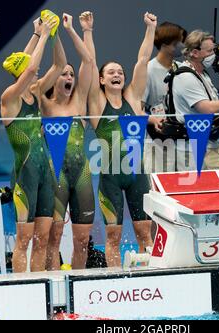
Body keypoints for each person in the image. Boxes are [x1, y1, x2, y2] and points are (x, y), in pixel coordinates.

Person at [87, 12, 158, 267]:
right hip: (110, 179)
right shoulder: (97, 103)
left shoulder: (133, 99)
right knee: (113, 236)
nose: (117, 74)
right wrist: (88, 31)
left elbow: (142, 59)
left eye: (120, 71)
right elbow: (90, 61)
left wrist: (151, 28)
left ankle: (149, 276)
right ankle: (114, 278)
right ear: (102, 79)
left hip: (137, 175)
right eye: (111, 72)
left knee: (145, 233)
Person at [0, 15, 65, 272]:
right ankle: (21, 290)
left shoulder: (35, 92)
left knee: (42, 239)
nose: (36, 69)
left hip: (45, 174)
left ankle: (41, 290)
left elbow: (59, 65)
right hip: (24, 175)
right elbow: (27, 68)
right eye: (30, 67)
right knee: (24, 240)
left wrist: (46, 35)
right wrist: (44, 33)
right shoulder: (10, 98)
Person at [42, 12, 94, 270]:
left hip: (81, 174)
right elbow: (49, 66)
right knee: (54, 236)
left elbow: (88, 60)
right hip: (55, 175)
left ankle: (79, 285)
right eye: (64, 74)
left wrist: (78, 30)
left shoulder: (79, 101)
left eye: (71, 74)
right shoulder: (46, 106)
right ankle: (53, 288)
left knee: (82, 239)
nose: (69, 78)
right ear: (54, 80)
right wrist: (51, 35)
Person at [172, 30, 219, 176]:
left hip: (210, 143)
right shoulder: (185, 77)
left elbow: (215, 105)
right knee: (195, 194)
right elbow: (206, 108)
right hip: (192, 149)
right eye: (209, 51)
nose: (213, 55)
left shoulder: (202, 74)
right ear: (195, 53)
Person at [143, 22, 187, 173]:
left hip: (184, 141)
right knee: (158, 190)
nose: (183, 45)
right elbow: (136, 108)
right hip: (158, 141)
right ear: (167, 44)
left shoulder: (182, 69)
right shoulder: (148, 70)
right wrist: (153, 120)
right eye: (180, 41)